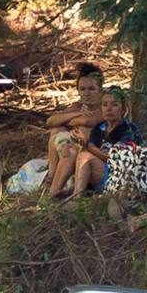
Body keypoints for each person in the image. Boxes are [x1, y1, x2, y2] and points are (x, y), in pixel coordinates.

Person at [41, 62, 104, 197]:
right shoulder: (78, 106)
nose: (86, 93)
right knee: (57, 129)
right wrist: (76, 114)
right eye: (82, 89)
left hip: (95, 155)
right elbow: (50, 121)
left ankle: (55, 190)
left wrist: (71, 119)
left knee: (70, 146)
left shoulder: (106, 105)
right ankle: (51, 178)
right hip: (74, 151)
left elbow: (89, 121)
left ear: (100, 89)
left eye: (91, 89)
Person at [70, 87, 142, 196]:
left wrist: (87, 144)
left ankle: (76, 197)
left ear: (123, 109)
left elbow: (114, 159)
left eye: (114, 105)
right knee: (75, 153)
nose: (109, 109)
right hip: (101, 173)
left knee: (85, 156)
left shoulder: (128, 130)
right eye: (104, 105)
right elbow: (91, 150)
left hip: (120, 179)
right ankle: (61, 189)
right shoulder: (99, 128)